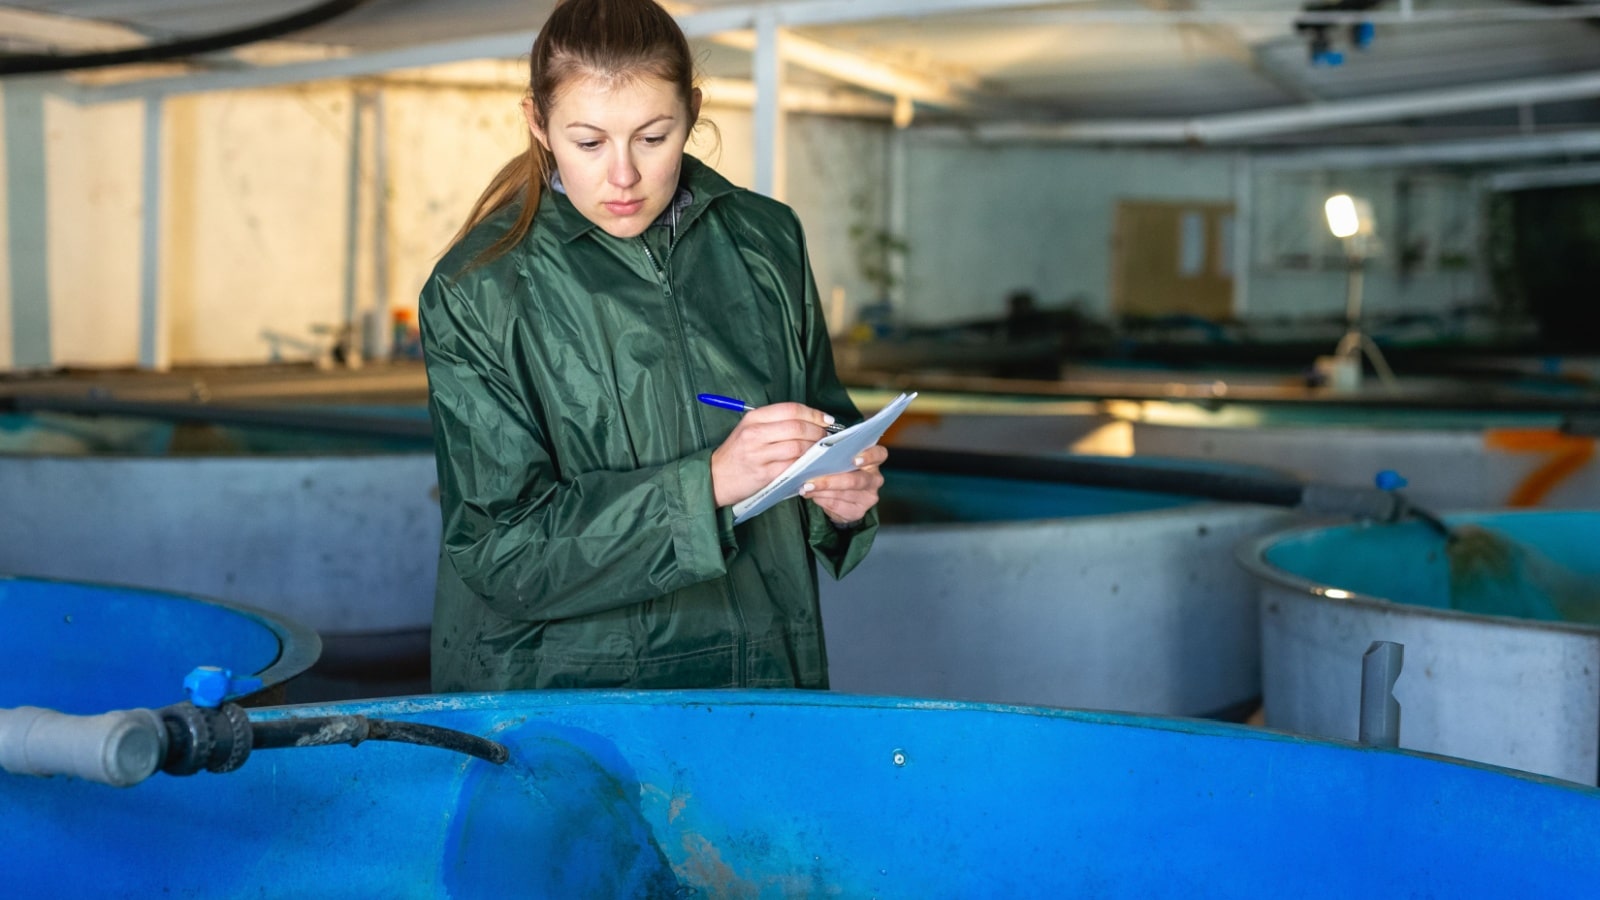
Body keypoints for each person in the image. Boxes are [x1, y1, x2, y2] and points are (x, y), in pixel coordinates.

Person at [419, 0, 887, 693]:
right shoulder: (477, 289)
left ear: (692, 113)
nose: (623, 176)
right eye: (588, 143)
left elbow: (825, 419)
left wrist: (843, 495)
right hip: (568, 694)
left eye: (652, 137)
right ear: (537, 125)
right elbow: (500, 549)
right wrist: (707, 485)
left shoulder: (766, 241)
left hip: (760, 671)